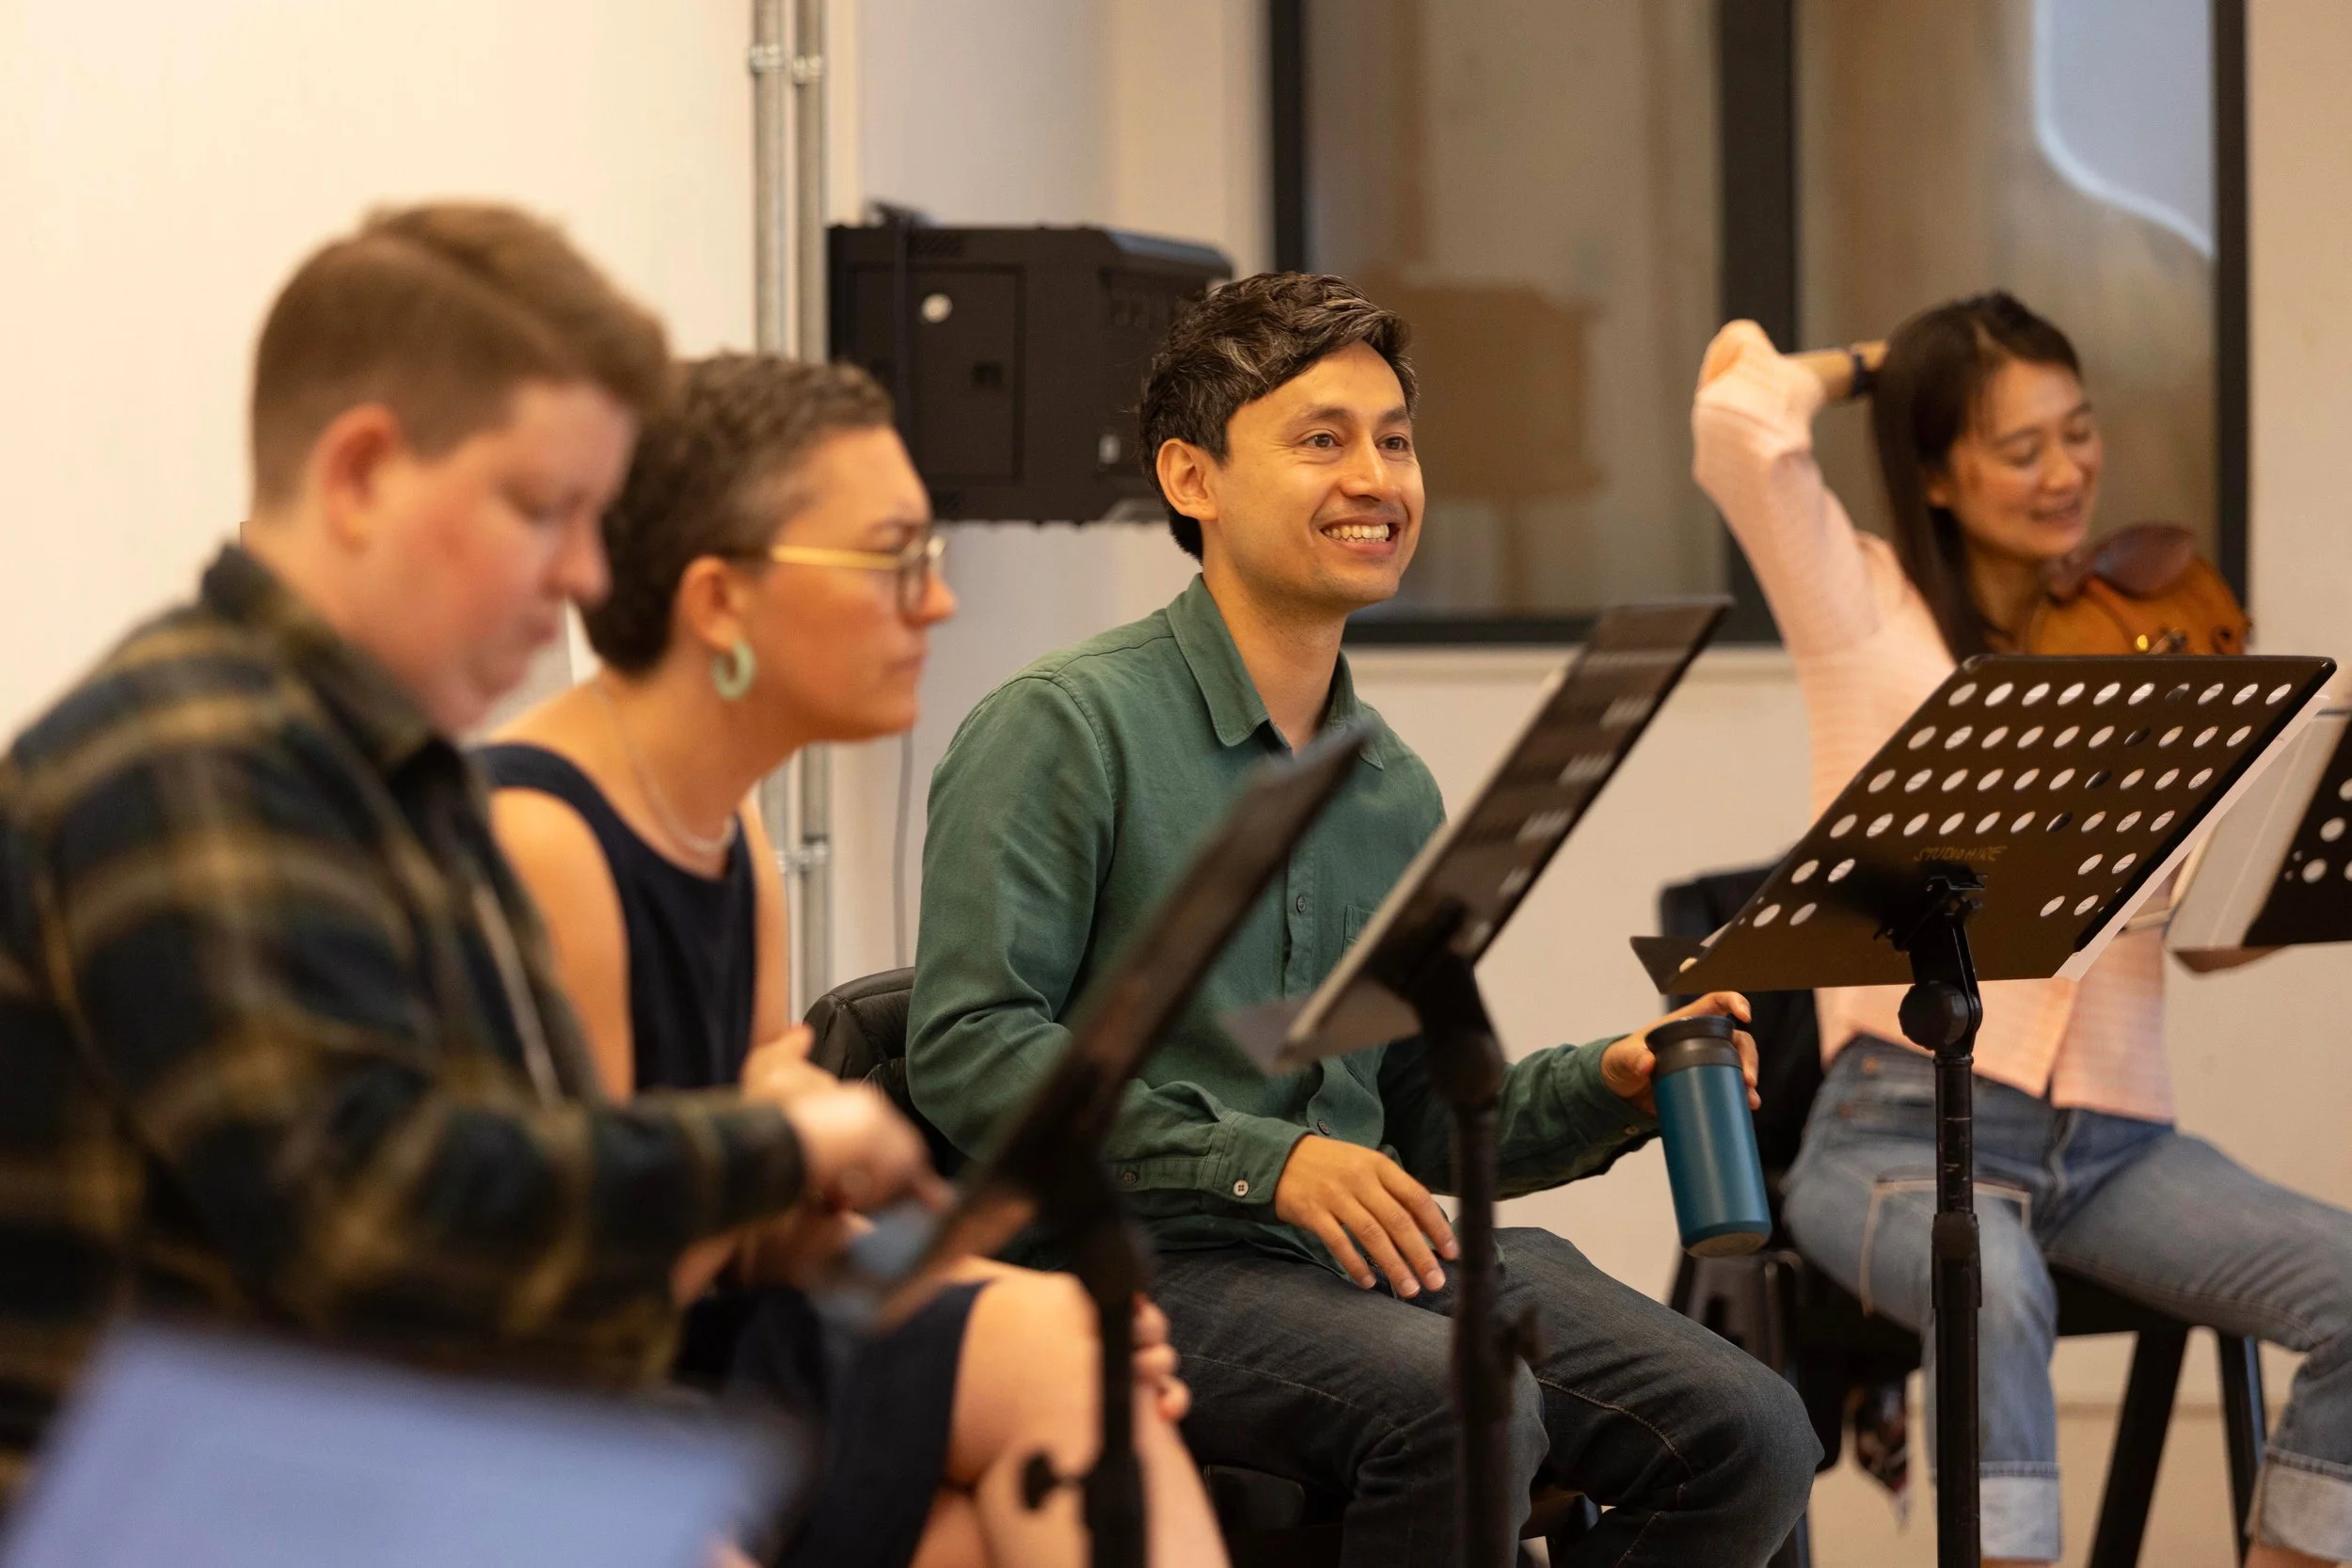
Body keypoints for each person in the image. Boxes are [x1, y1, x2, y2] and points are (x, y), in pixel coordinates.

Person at [0, 205, 933, 1507]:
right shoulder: (188, 756)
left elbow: (528, 1177)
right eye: (545, 510)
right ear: (362, 474)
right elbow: (377, 1213)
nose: (587, 575)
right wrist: (771, 1146)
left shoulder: (396, 774)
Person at [907, 272, 1822, 1568]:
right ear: (1191, 478)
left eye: (1395, 441)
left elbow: (1403, 1113)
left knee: (1753, 1429)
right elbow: (972, 1048)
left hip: (1351, 1263)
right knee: (1468, 1404)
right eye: (1322, 439)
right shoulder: (1061, 725)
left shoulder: (1389, 783)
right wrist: (1266, 1161)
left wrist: (1606, 1084)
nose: (1376, 478)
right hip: (1130, 1259)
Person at [482, 353, 1228, 1568]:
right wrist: (780, 1140)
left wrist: (988, 1278)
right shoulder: (543, 842)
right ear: (719, 601)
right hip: (566, 1405)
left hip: (710, 1349)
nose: (937, 604)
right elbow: (595, 1304)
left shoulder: (734, 834)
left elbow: (763, 1239)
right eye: (894, 560)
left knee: (1063, 1357)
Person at [1692, 294, 2352, 1568]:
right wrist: (1892, 362)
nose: (2066, 473)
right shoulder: (1867, 610)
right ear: (1938, 473)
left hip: (2115, 1146)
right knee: (1992, 1288)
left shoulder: (2141, 640)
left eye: (2079, 432)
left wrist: (2293, 881)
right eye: (2019, 445)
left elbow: (2206, 937)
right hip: (1895, 1126)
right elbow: (1737, 415)